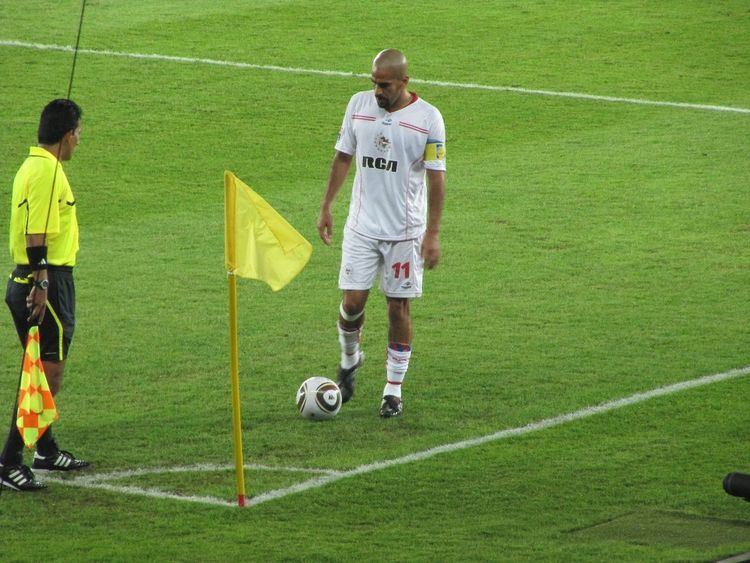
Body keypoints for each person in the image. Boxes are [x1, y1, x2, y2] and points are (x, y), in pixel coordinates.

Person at [317, 49, 446, 418]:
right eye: (374, 83)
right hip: (361, 227)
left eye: (385, 85)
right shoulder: (358, 105)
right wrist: (326, 206)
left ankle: (393, 390)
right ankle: (349, 360)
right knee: (352, 303)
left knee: (397, 307)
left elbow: (437, 179)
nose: (377, 91)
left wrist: (432, 233)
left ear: (404, 82)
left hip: (405, 233)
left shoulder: (428, 119)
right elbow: (343, 156)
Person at [0, 99, 90, 492]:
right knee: (45, 376)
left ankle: (46, 450)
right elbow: (35, 234)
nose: (79, 141)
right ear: (67, 134)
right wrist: (41, 281)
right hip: (45, 282)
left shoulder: (34, 165)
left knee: (39, 369)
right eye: (79, 133)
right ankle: (8, 460)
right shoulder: (46, 172)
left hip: (40, 280)